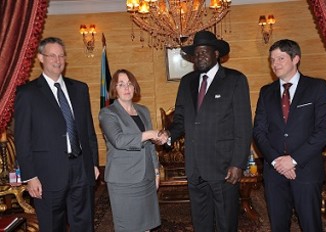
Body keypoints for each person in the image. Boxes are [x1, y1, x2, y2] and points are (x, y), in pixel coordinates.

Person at [163, 30, 252, 232]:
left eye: (205, 51)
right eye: (196, 52)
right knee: (201, 221)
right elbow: (180, 120)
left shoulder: (235, 80)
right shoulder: (187, 82)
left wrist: (238, 163)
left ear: (216, 54)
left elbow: (244, 126)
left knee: (226, 222)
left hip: (224, 168)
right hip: (195, 167)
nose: (200, 56)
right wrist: (168, 135)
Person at [14, 37, 99, 232]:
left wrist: (93, 162)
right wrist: (30, 176)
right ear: (40, 58)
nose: (57, 59)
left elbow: (88, 130)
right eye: (52, 55)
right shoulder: (27, 94)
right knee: (53, 226)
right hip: (47, 174)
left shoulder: (80, 89)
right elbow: (22, 139)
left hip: (81, 168)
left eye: (61, 55)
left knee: (84, 224)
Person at [253, 39, 326, 231]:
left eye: (280, 58)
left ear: (296, 58)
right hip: (274, 173)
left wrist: (294, 160)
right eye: (272, 60)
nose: (275, 64)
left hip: (306, 170)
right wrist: (277, 162)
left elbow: (324, 130)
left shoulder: (317, 87)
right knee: (278, 226)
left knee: (310, 225)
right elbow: (259, 131)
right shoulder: (266, 92)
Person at [98, 69, 161, 232]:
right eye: (121, 84)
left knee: (146, 225)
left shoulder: (143, 111)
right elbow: (119, 140)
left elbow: (150, 145)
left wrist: (156, 171)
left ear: (135, 88)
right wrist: (148, 134)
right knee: (128, 227)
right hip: (123, 180)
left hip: (146, 176)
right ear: (114, 89)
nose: (126, 88)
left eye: (130, 84)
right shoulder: (107, 113)